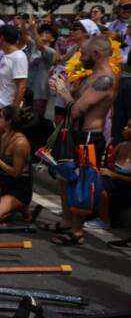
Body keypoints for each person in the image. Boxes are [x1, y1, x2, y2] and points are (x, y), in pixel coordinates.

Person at [45, 35, 119, 245]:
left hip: (89, 137)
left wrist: (63, 93)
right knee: (65, 177)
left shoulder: (105, 79)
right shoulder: (92, 75)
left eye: (84, 54)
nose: (80, 57)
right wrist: (63, 86)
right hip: (75, 134)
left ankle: (77, 232)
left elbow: (77, 110)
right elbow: (76, 97)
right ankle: (66, 222)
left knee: (82, 182)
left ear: (96, 54)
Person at [0, 25, 28, 154]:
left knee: (0, 143)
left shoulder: (18, 57)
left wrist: (12, 112)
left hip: (4, 109)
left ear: (2, 38)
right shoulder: (5, 55)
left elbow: (21, 86)